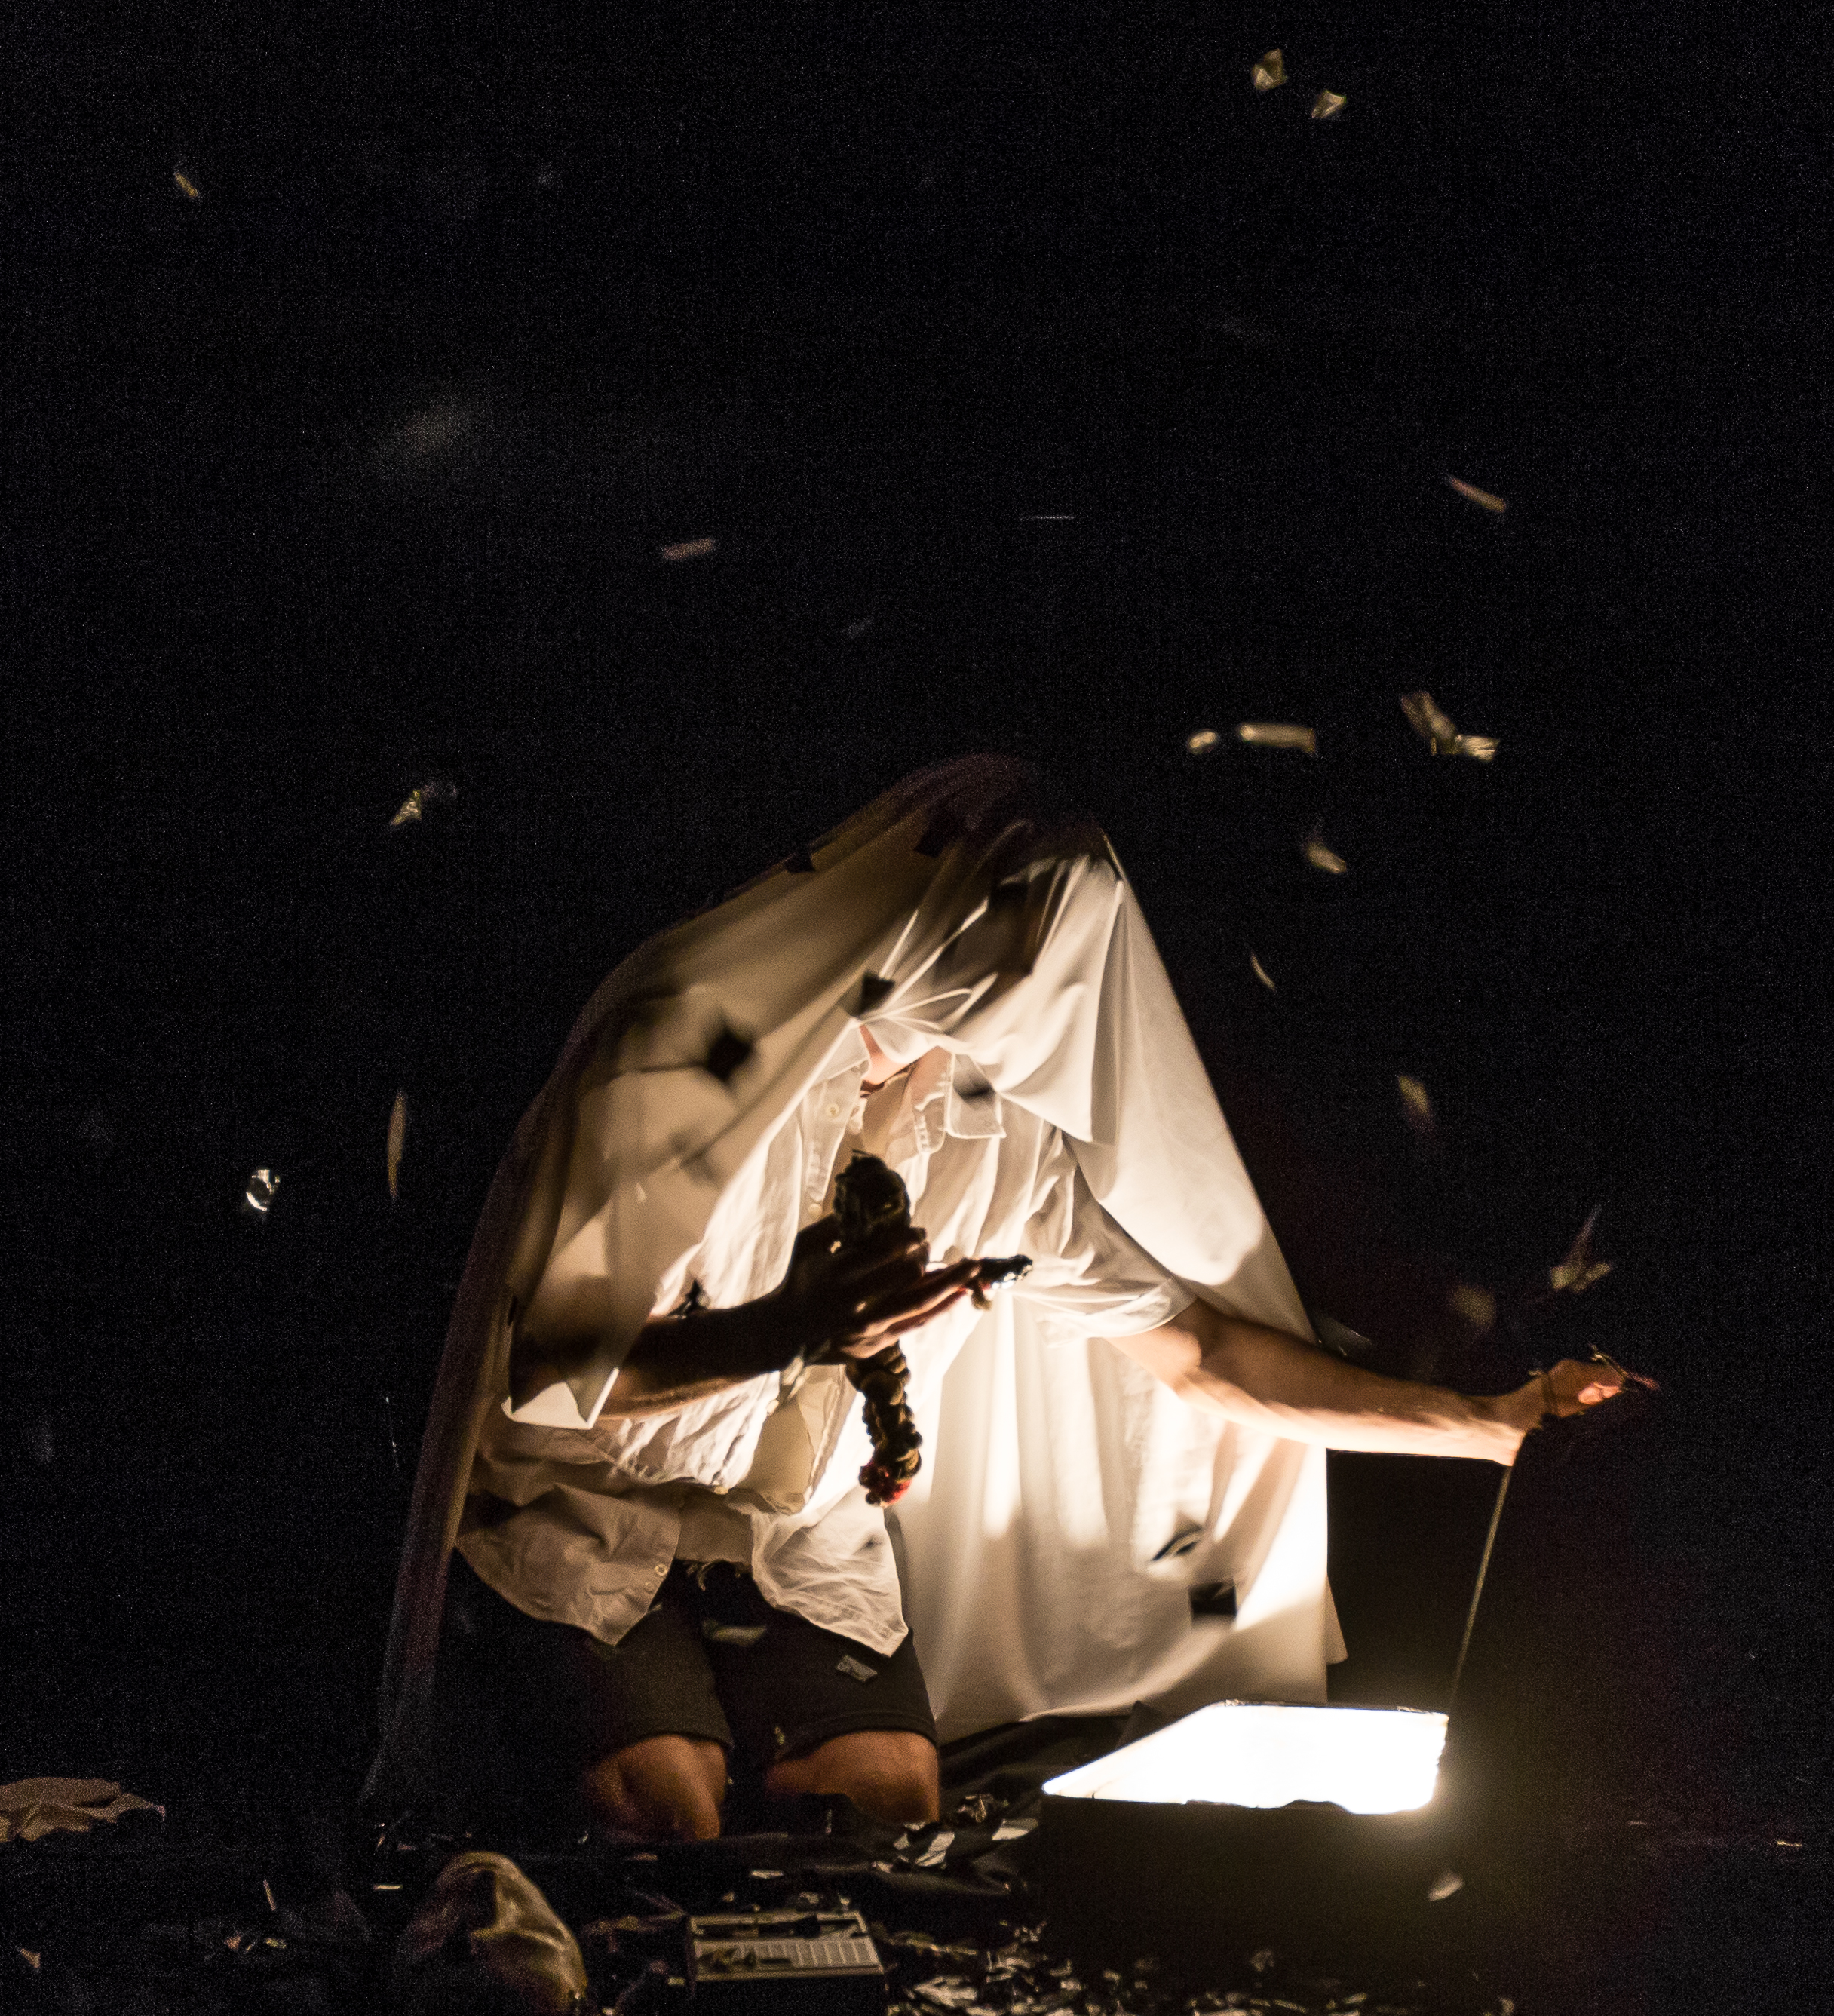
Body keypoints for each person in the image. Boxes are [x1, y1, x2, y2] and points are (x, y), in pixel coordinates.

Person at [365, 758, 1622, 1843]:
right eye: (1009, 935)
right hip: (582, 1517)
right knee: (663, 1810)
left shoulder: (987, 1132)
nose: (1032, 985)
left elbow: (1196, 1350)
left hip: (791, 1547)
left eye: (1054, 958)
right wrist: (782, 1332)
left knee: (887, 1805)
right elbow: (545, 1364)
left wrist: (1489, 1425)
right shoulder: (686, 1049)